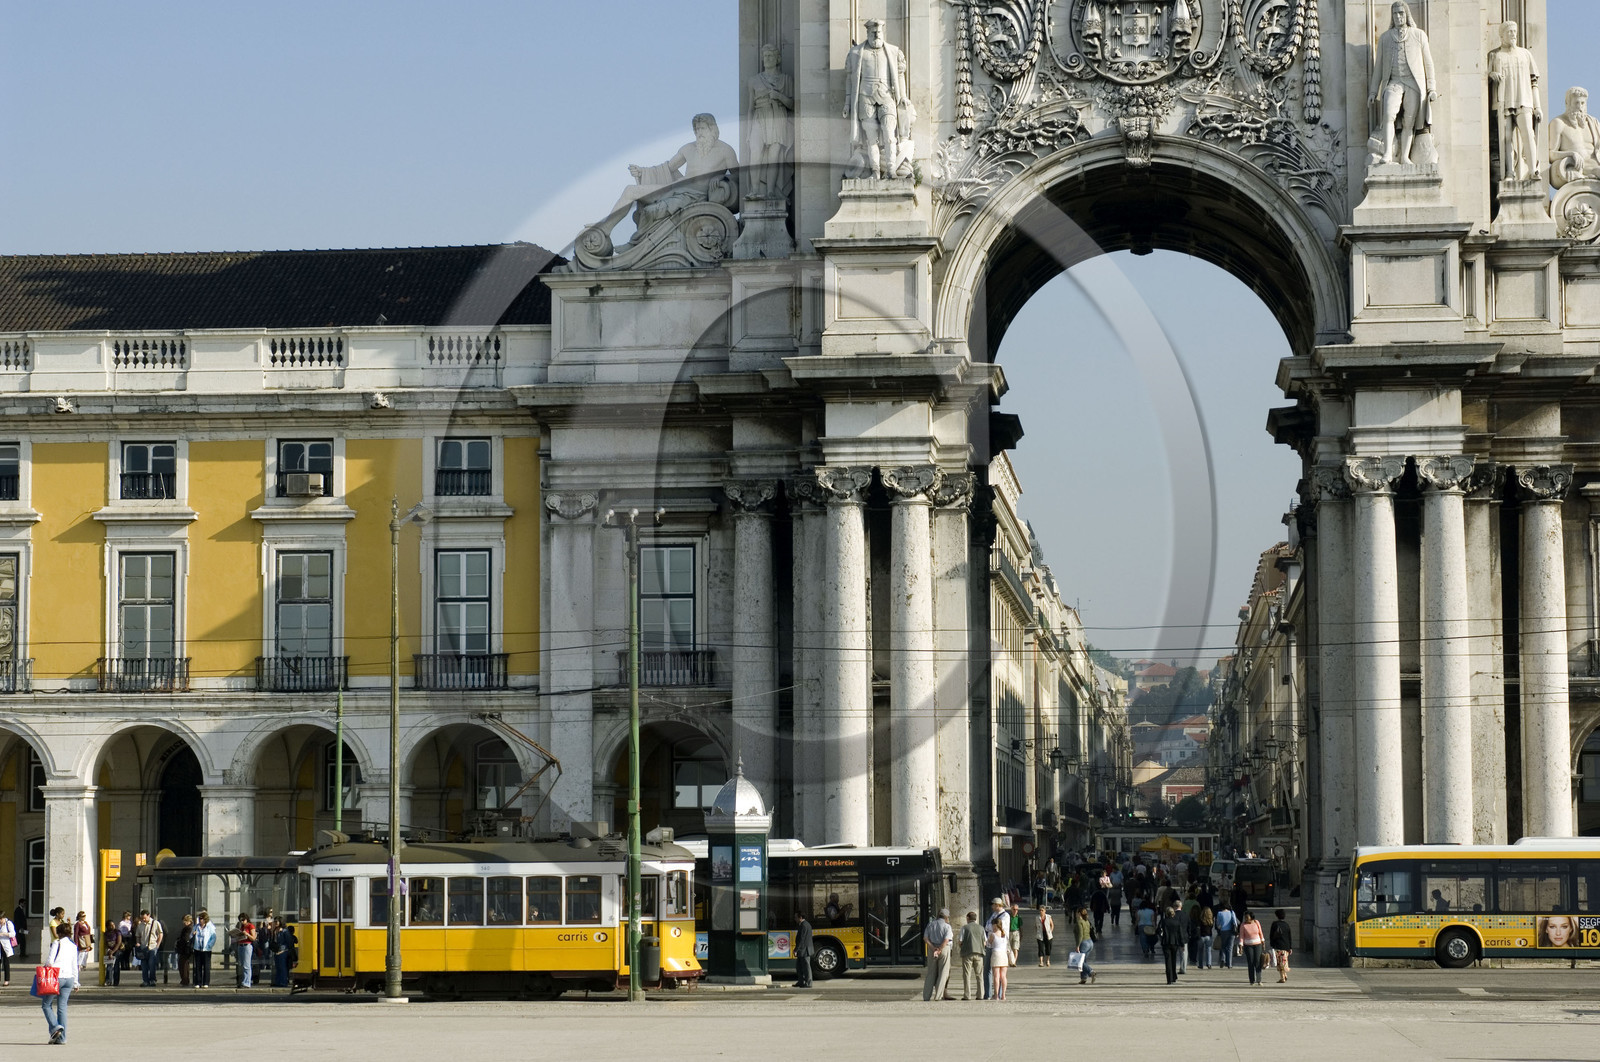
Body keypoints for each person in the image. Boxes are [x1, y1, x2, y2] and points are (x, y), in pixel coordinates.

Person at [1369, 0, 1436, 166]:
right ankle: (1387, 154)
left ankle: (1405, 156)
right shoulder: (1385, 38)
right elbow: (1378, 67)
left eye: (1401, 13)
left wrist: (1431, 87)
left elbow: (1429, 63)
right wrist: (1373, 91)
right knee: (1389, 114)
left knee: (1409, 121)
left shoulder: (1418, 35)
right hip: (1394, 82)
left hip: (1413, 83)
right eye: (1395, 14)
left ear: (1406, 15)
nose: (1398, 16)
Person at [842, 18, 910, 179]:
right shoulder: (856, 52)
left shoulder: (893, 51)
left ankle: (892, 171)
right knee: (871, 139)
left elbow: (900, 75)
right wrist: (847, 103)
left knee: (889, 134)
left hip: (887, 97)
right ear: (868, 32)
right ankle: (875, 171)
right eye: (873, 32)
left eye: (878, 32)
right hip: (866, 98)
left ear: (882, 32)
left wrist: (903, 97)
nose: (876, 35)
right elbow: (850, 80)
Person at [1489, 20, 1542, 182]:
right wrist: (1491, 75)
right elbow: (1486, 74)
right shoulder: (1495, 55)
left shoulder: (1525, 54)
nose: (1513, 34)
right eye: (1509, 31)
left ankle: (1533, 170)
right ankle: (1509, 172)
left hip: (1524, 100)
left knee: (1528, 134)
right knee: (1506, 138)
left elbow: (1534, 83)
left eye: (1515, 31)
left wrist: (1537, 106)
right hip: (1503, 102)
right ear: (1502, 35)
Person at [1551, 87, 1600, 188]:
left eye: (1583, 103)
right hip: (1574, 166)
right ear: (1567, 103)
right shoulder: (1559, 123)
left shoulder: (1593, 123)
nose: (1580, 107)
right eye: (1576, 103)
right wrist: (1571, 154)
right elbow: (1550, 154)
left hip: (1595, 166)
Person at [39, 922, 79, 1045]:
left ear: (60, 933)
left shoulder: (57, 943)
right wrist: (76, 982)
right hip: (69, 978)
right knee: (62, 1008)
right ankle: (62, 1038)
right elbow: (75, 965)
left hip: (56, 977)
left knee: (46, 1004)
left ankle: (55, 1027)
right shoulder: (73, 945)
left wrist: (45, 967)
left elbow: (50, 961)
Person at [922, 907, 953, 1000]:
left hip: (932, 949)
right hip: (944, 949)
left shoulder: (931, 924)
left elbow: (925, 938)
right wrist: (939, 949)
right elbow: (946, 940)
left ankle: (926, 996)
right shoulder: (947, 926)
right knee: (943, 972)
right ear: (946, 917)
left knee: (931, 973)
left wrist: (932, 948)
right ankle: (938, 995)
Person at [958, 911, 985, 1000]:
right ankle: (980, 994)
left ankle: (967, 995)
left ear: (968, 918)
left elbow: (960, 941)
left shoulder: (964, 928)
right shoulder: (981, 928)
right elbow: (985, 942)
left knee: (967, 975)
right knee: (979, 975)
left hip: (967, 953)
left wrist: (962, 947)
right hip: (979, 953)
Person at [986, 903, 1010, 1001]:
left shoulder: (993, 934)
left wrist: (986, 942)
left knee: (996, 975)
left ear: (995, 925)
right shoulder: (1005, 935)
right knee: (1003, 976)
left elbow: (989, 944)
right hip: (1004, 955)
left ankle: (996, 995)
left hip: (996, 954)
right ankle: (1003, 995)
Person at [135, 909, 163, 986]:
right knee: (144, 965)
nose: (143, 919)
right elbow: (138, 935)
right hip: (143, 947)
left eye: (145, 918)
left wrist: (158, 945)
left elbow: (160, 934)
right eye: (142, 918)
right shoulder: (140, 925)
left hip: (152, 946)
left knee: (151, 964)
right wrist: (138, 943)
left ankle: (152, 979)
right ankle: (145, 980)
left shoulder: (155, 923)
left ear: (148, 915)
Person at [1239, 909, 1267, 985]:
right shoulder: (1243, 925)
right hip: (1248, 945)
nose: (1246, 919)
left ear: (1251, 917)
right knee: (1250, 962)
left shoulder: (1256, 922)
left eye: (1247, 917)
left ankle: (1259, 979)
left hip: (1258, 944)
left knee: (1257, 962)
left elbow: (1260, 932)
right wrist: (1241, 946)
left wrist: (1263, 942)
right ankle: (1252, 980)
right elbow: (1241, 936)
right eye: (1245, 917)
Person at [1159, 903, 1185, 985]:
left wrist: (1161, 935)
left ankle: (1169, 978)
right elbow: (1180, 933)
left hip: (1166, 942)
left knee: (1168, 960)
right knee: (1174, 960)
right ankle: (1174, 976)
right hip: (1175, 943)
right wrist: (1182, 944)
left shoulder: (1163, 921)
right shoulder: (1177, 922)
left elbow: (1158, 930)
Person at [1269, 909, 1294, 983]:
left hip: (1278, 946)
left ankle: (1282, 977)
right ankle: (1284, 975)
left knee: (1280, 963)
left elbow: (1271, 935)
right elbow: (1289, 937)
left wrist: (1272, 944)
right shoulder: (1286, 925)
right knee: (1283, 961)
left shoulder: (1275, 924)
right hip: (1286, 946)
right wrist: (1290, 947)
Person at [192, 911, 216, 989]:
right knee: (198, 966)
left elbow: (213, 937)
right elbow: (190, 936)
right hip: (197, 948)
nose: (200, 920)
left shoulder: (210, 927)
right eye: (199, 919)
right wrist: (193, 934)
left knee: (206, 966)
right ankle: (198, 982)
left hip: (206, 949)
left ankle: (206, 982)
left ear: (205, 920)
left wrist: (209, 945)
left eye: (201, 919)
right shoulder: (196, 926)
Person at [1073, 905, 1095, 985]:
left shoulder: (1079, 922)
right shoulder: (1087, 921)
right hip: (1090, 942)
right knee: (1083, 960)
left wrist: (1077, 945)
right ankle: (1083, 978)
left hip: (1084, 943)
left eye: (1076, 913)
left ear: (1079, 913)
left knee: (1079, 961)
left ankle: (1091, 971)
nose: (1075, 914)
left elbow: (1080, 935)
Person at [1214, 901, 1238, 969]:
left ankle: (1223, 959)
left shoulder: (1219, 913)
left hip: (1223, 931)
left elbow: (1218, 924)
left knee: (1223, 946)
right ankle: (1229, 964)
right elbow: (1235, 923)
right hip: (1231, 932)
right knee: (1230, 948)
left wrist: (1220, 928)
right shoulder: (1232, 912)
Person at [234, 914, 256, 988]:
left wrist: (247, 934)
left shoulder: (250, 926)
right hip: (240, 945)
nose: (242, 922)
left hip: (247, 946)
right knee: (241, 964)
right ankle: (242, 981)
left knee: (247, 965)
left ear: (247, 919)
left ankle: (247, 982)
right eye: (240, 920)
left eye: (243, 920)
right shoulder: (242, 927)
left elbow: (253, 938)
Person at [272, 920, 293, 987]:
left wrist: (285, 950)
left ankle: (283, 982)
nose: (275, 923)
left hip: (283, 951)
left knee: (282, 967)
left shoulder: (284, 931)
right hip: (276, 950)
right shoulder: (275, 930)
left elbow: (289, 942)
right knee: (278, 967)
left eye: (276, 921)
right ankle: (278, 981)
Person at [101, 918, 122, 986]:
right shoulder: (106, 933)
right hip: (109, 950)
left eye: (113, 924)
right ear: (107, 926)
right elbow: (105, 943)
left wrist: (113, 952)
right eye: (110, 925)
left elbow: (119, 942)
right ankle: (108, 980)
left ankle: (116, 982)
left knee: (116, 967)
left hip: (116, 951)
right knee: (109, 966)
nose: (113, 926)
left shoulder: (117, 932)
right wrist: (109, 951)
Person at [71, 912, 92, 977]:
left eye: (84, 916)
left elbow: (88, 931)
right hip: (81, 939)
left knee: (86, 953)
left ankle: (83, 964)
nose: (84, 917)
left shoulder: (85, 923)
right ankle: (78, 965)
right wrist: (76, 943)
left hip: (87, 938)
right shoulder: (77, 924)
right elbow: (76, 933)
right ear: (79, 917)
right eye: (82, 916)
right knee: (81, 953)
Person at [176, 913, 195, 986]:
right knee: (185, 964)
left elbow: (185, 938)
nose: (184, 923)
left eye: (185, 921)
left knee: (183, 964)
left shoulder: (188, 928)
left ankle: (185, 980)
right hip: (186, 949)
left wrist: (179, 941)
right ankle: (185, 979)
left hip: (185, 949)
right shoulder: (191, 928)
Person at [1197, 901, 1216, 969]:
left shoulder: (1201, 920)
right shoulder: (1211, 921)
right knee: (1208, 950)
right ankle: (1209, 963)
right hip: (1209, 936)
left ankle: (1200, 964)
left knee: (1200, 951)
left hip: (1202, 936)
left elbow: (1199, 928)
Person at [1035, 903, 1054, 968]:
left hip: (1048, 934)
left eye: (1042, 910)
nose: (1041, 911)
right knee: (1040, 948)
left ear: (1045, 911)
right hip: (1040, 934)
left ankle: (1047, 960)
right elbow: (1036, 926)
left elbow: (1052, 925)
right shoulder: (1037, 918)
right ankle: (1041, 962)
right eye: (1040, 910)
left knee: (1048, 948)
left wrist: (1050, 931)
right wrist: (1037, 932)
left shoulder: (1048, 917)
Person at [0, 908, 13, 986]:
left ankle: (6, 980)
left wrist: (4, 934)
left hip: (5, 945)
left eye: (1, 919)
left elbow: (13, 934)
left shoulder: (8, 923)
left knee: (5, 963)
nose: (0, 921)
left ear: (4, 918)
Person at [1007, 902, 1022, 968]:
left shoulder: (1019, 917)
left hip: (1016, 932)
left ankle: (1014, 962)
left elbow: (1021, 927)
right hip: (1009, 932)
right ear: (1011, 909)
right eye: (1014, 909)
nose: (1015, 911)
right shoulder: (1008, 917)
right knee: (1008, 948)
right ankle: (1008, 962)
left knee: (1015, 948)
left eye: (1017, 909)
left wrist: (1021, 934)